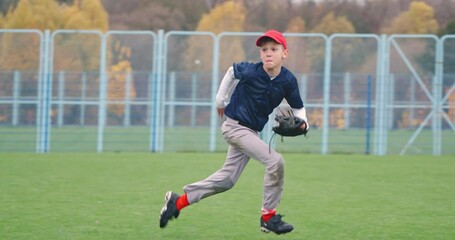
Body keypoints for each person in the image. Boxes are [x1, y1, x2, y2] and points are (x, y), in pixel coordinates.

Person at [159, 29, 309, 235]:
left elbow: (298, 107)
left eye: (274, 49)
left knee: (226, 180)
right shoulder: (251, 70)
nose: (268, 53)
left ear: (284, 53)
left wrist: (304, 124)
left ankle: (177, 202)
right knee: (275, 161)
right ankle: (268, 217)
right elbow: (231, 72)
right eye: (264, 49)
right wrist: (221, 101)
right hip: (235, 127)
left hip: (251, 133)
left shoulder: (288, 80)